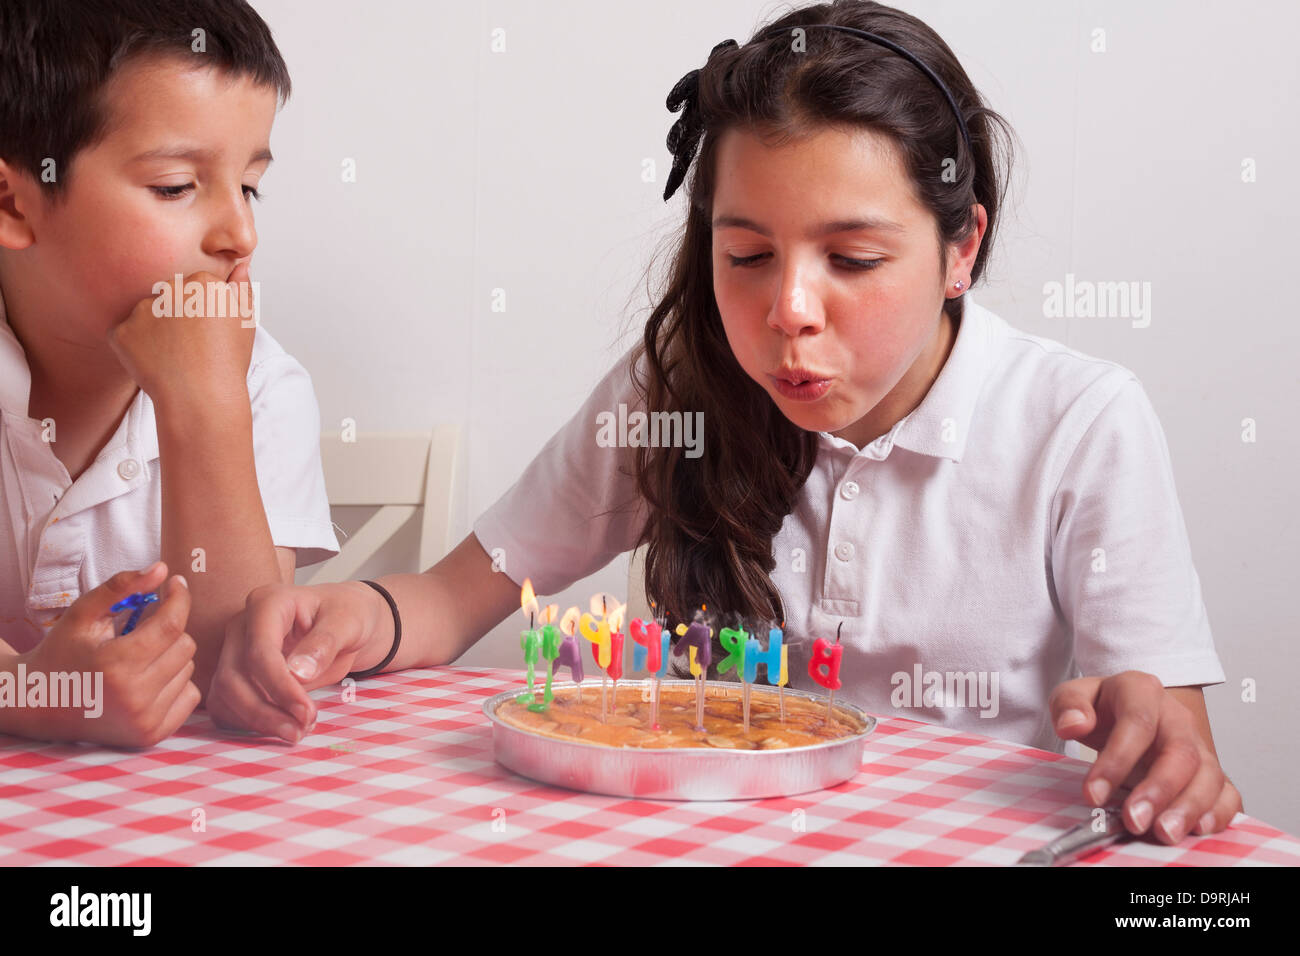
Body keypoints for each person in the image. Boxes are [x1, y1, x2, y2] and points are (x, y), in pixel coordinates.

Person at [211, 0, 1240, 845]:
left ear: (960, 245)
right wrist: (353, 617)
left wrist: (1161, 746)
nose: (787, 308)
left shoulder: (1077, 422)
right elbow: (448, 597)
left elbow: (1166, 737)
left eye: (852, 258)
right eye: (745, 254)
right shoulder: (677, 389)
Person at [0, 0, 339, 745]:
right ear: (14, 203)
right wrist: (28, 689)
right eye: (176, 187)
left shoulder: (261, 389)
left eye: (249, 186)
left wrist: (206, 409)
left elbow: (229, 668)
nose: (240, 233)